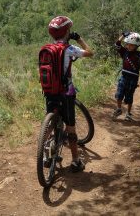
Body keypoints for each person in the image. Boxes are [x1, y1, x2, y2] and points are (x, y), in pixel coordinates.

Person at [45, 16, 94, 172]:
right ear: (67, 31)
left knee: (51, 122)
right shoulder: (69, 49)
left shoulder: (48, 48)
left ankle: (46, 153)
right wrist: (78, 39)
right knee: (70, 126)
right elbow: (90, 52)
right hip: (66, 92)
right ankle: (75, 161)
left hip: (50, 92)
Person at [112, 32, 140, 121]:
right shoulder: (124, 52)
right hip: (124, 77)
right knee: (119, 94)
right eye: (127, 44)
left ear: (136, 45)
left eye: (131, 45)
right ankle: (119, 109)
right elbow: (117, 44)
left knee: (129, 96)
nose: (128, 46)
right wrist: (123, 35)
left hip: (133, 79)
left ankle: (128, 113)